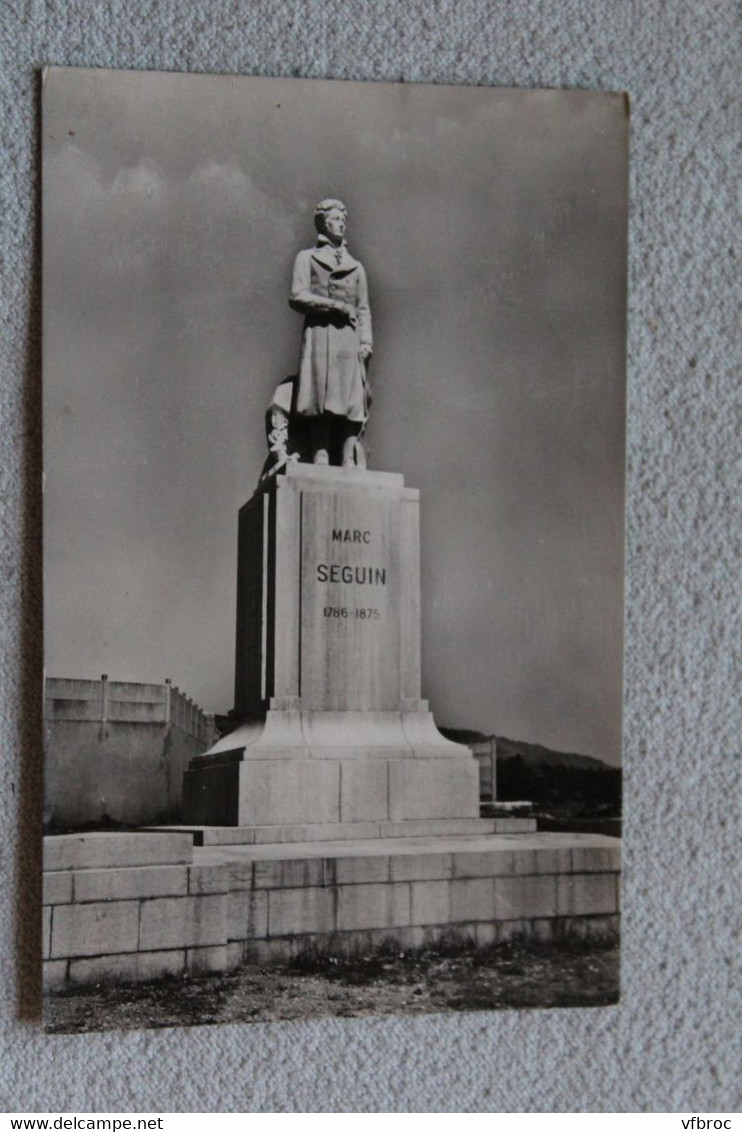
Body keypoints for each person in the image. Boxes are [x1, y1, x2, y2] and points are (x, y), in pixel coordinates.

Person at [289, 199, 373, 467]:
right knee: (319, 394)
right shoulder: (306, 258)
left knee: (351, 397)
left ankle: (348, 457)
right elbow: (297, 296)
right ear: (323, 224)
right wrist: (334, 306)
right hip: (320, 334)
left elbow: (363, 308)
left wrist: (366, 340)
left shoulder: (356, 267)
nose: (341, 224)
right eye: (336, 219)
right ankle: (320, 453)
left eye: (343, 220)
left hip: (349, 337)